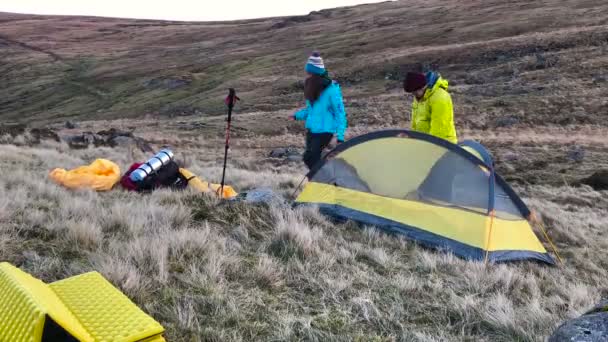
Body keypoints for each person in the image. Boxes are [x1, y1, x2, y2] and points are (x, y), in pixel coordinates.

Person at [290, 52, 347, 170]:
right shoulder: (311, 87)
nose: (307, 74)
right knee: (308, 158)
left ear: (315, 72)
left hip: (325, 131)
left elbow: (340, 113)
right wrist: (296, 116)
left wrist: (340, 136)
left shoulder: (331, 89)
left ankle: (326, 181)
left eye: (309, 72)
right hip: (312, 130)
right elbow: (310, 111)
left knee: (312, 158)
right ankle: (321, 182)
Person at [403, 71, 458, 144]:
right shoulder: (419, 97)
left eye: (415, 92)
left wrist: (431, 146)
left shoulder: (440, 97)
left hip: (442, 145)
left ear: (423, 87)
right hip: (425, 143)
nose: (414, 95)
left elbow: (439, 128)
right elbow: (415, 123)